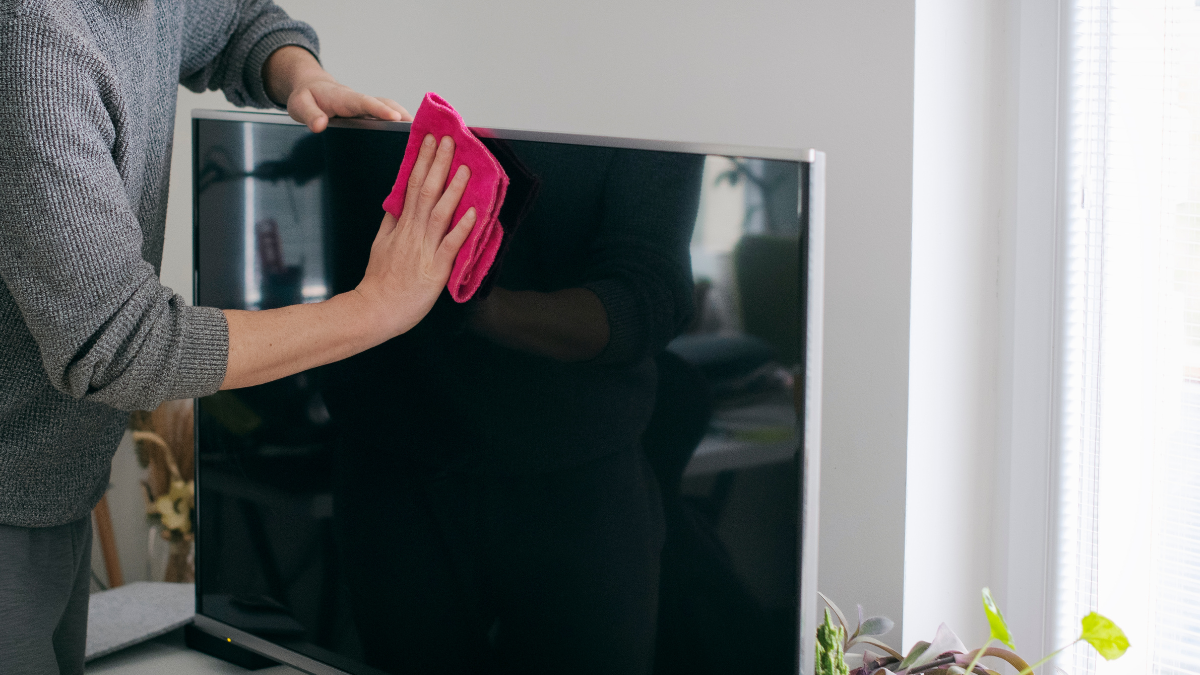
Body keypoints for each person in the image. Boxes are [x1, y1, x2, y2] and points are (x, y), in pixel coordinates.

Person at [0, 1, 474, 672]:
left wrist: (297, 74)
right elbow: (118, 346)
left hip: (55, 488)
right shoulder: (33, 42)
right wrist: (376, 308)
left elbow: (233, 21)